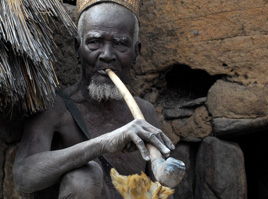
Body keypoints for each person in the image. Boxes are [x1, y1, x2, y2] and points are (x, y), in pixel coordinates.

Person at [13, 1, 185, 198]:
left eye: (120, 44)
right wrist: (104, 143)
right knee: (85, 176)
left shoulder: (144, 112)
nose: (107, 55)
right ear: (78, 48)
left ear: (136, 53)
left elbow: (161, 191)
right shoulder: (54, 107)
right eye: (94, 42)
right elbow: (23, 177)